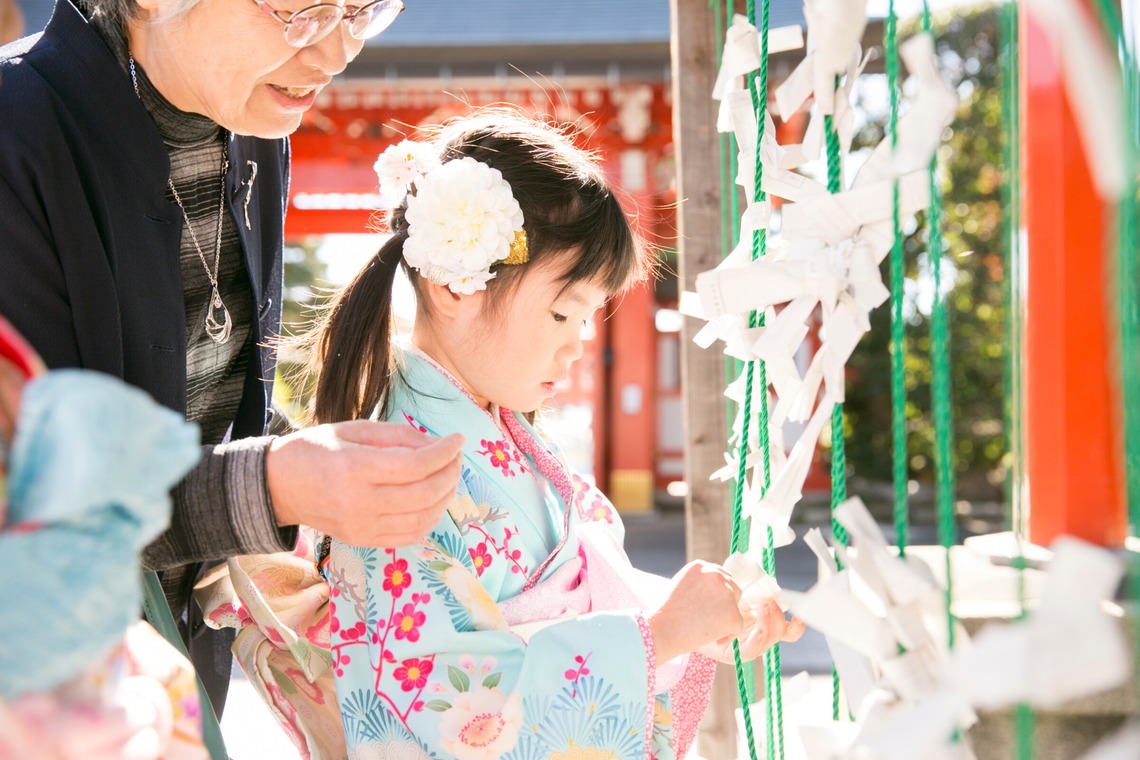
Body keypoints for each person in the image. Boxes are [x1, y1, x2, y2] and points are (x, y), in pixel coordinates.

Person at [0, 0, 464, 721]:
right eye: (302, 11)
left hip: (167, 681)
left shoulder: (250, 128)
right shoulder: (13, 134)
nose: (337, 52)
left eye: (364, 9)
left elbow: (210, 397)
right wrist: (274, 486)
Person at [305, 113, 805, 759]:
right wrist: (663, 633)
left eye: (590, 317)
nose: (579, 344)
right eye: (563, 311)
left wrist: (706, 615)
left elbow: (579, 595)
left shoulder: (487, 436)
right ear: (458, 283)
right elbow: (456, 718)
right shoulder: (391, 478)